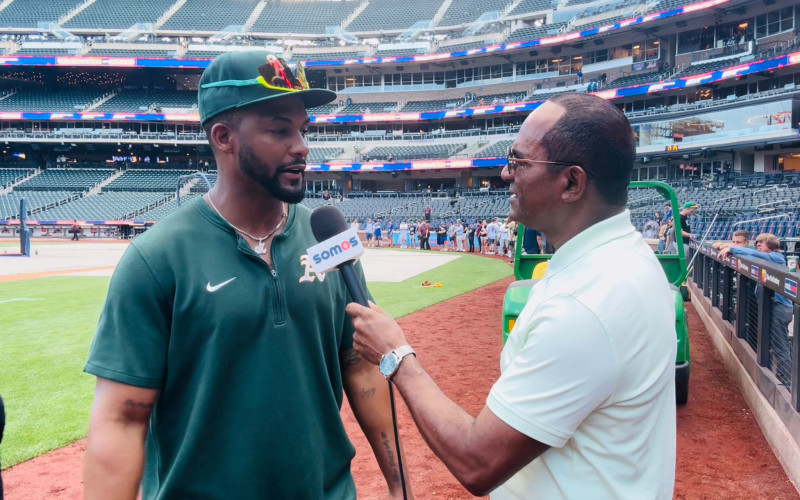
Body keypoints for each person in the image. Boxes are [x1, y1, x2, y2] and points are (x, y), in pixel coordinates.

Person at [83, 50, 411, 500]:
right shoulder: (156, 258)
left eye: (302, 129)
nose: (301, 146)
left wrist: (399, 486)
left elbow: (359, 367)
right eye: (279, 130)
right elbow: (122, 417)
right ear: (223, 137)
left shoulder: (328, 241)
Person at [346, 93, 676, 497]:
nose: (505, 174)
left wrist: (396, 356)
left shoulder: (585, 304)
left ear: (571, 182)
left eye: (519, 162)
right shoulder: (625, 260)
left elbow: (478, 461)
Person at [718, 233, 793, 386]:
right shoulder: (763, 256)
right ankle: (781, 377)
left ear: (770, 245)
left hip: (781, 308)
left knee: (781, 346)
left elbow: (751, 252)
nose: (758, 245)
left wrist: (730, 248)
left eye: (762, 243)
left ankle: (785, 382)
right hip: (774, 307)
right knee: (776, 343)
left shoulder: (776, 257)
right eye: (757, 243)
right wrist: (725, 246)